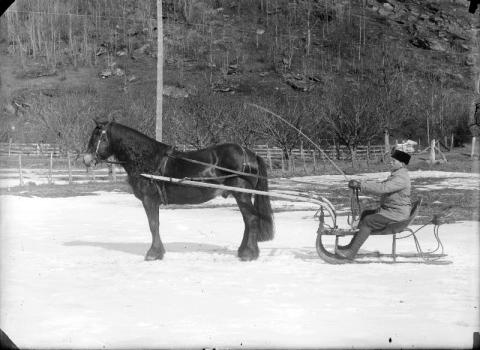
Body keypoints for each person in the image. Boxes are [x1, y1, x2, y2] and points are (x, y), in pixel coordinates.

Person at [336, 149, 412, 260]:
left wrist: (361, 185)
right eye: (391, 160)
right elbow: (381, 184)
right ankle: (351, 247)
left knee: (368, 221)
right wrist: (361, 184)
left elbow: (383, 188)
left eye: (394, 161)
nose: (391, 162)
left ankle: (351, 253)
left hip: (397, 215)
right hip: (392, 211)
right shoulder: (397, 175)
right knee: (366, 214)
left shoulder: (401, 178)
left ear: (402, 164)